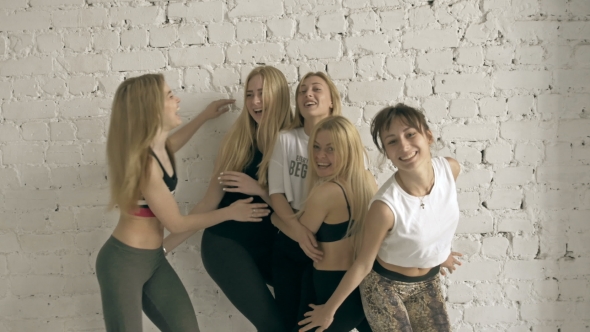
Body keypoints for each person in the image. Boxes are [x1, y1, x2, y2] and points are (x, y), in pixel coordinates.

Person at [96, 73, 270, 332]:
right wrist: (231, 212)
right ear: (151, 107)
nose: (177, 99)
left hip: (154, 260)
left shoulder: (157, 149)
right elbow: (176, 224)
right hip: (123, 264)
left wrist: (203, 117)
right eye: (169, 95)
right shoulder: (145, 165)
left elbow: (174, 142)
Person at [298, 104, 462, 332]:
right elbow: (363, 264)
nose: (404, 146)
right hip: (385, 287)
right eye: (392, 141)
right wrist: (329, 311)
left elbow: (436, 213)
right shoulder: (385, 206)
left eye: (410, 134)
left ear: (428, 136)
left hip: (427, 282)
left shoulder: (450, 169)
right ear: (387, 152)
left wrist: (438, 252)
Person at [163, 66, 293, 331]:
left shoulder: (297, 142)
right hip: (227, 244)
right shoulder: (236, 141)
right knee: (273, 326)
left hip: (273, 249)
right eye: (249, 94)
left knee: (296, 321)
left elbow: (298, 207)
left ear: (280, 96)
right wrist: (161, 249)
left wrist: (260, 189)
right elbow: (208, 203)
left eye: (262, 93)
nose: (255, 101)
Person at [272, 116, 376, 331]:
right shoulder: (367, 181)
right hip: (359, 288)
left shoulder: (326, 193)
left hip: (332, 290)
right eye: (316, 147)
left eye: (331, 149)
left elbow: (294, 236)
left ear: (348, 150)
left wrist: (274, 217)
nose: (320, 155)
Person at [269, 72, 342, 329]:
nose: (307, 94)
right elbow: (275, 192)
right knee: (288, 321)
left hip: (328, 242)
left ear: (332, 100)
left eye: (316, 89)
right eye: (302, 90)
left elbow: (358, 191)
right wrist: (297, 230)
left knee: (315, 322)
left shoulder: (346, 140)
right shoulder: (285, 139)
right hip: (291, 237)